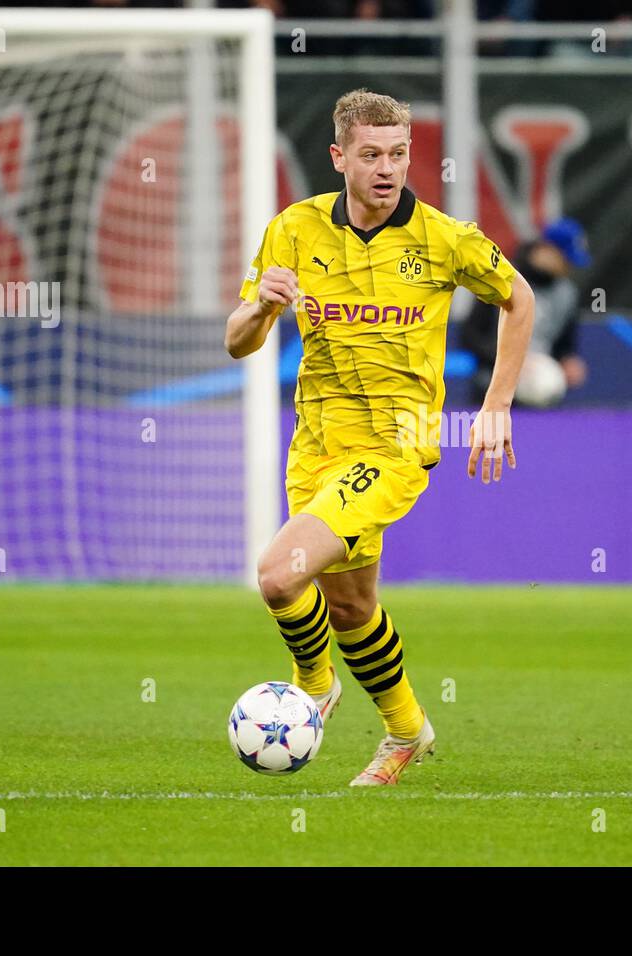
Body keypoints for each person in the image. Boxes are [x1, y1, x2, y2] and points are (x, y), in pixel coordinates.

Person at [224, 89, 535, 786]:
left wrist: (497, 402)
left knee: (278, 574)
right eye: (371, 155)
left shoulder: (444, 239)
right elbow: (237, 342)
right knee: (352, 607)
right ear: (339, 157)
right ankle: (406, 731)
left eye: (398, 153)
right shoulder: (293, 231)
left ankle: (313, 685)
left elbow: (520, 297)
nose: (388, 168)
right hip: (316, 446)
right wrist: (262, 307)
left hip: (397, 446)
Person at [460, 218, 590, 407]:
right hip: (491, 385)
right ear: (546, 250)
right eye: (565, 259)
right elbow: (470, 335)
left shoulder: (567, 293)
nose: (568, 267)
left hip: (541, 386)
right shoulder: (501, 278)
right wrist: (514, 361)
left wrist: (567, 362)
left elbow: (565, 345)